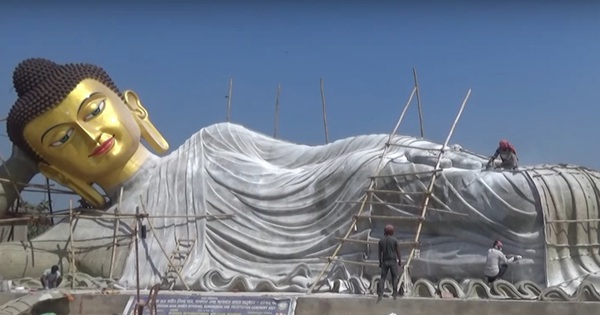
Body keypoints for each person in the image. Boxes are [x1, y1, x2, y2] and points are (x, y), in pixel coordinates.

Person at [0, 58, 598, 295]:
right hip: (317, 252)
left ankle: (545, 205)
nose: (88, 136)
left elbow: (309, 161)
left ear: (132, 106)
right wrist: (19, 171)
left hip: (334, 195)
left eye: (92, 110)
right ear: (56, 167)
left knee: (380, 162)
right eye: (60, 142)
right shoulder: (103, 233)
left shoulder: (213, 139)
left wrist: (372, 156)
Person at [378, 225, 401, 299]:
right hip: (393, 261)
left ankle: (380, 294)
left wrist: (380, 262)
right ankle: (395, 293)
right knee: (394, 277)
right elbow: (398, 252)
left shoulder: (381, 241)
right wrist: (400, 260)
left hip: (385, 261)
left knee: (382, 278)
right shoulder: (394, 240)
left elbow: (379, 253)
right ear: (391, 232)